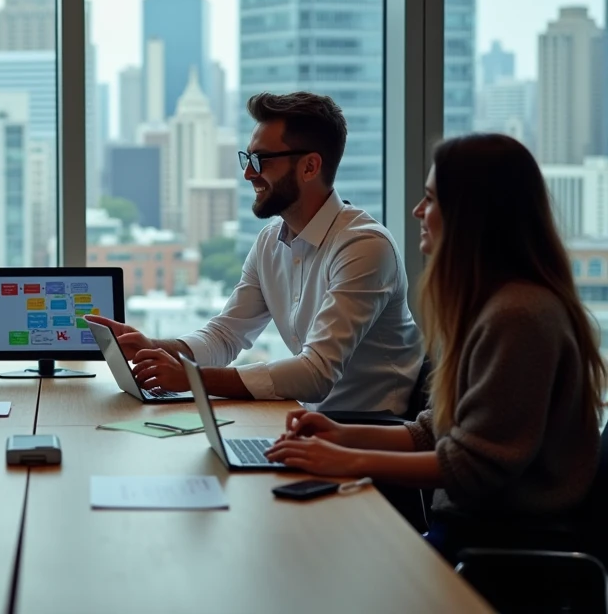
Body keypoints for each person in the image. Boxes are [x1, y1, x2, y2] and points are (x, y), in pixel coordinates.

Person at [266, 134, 606, 562]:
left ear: (474, 215)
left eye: (430, 199)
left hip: (498, 548)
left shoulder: (519, 315)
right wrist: (340, 434)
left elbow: (471, 466)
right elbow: (436, 432)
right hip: (474, 532)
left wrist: (348, 460)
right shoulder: (489, 305)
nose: (417, 212)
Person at [88, 92, 422, 413]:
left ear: (309, 167)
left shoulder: (363, 247)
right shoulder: (269, 242)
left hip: (369, 432)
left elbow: (315, 373)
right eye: (247, 158)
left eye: (260, 160)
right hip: (306, 424)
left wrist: (192, 378)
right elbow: (225, 336)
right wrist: (153, 346)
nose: (248, 173)